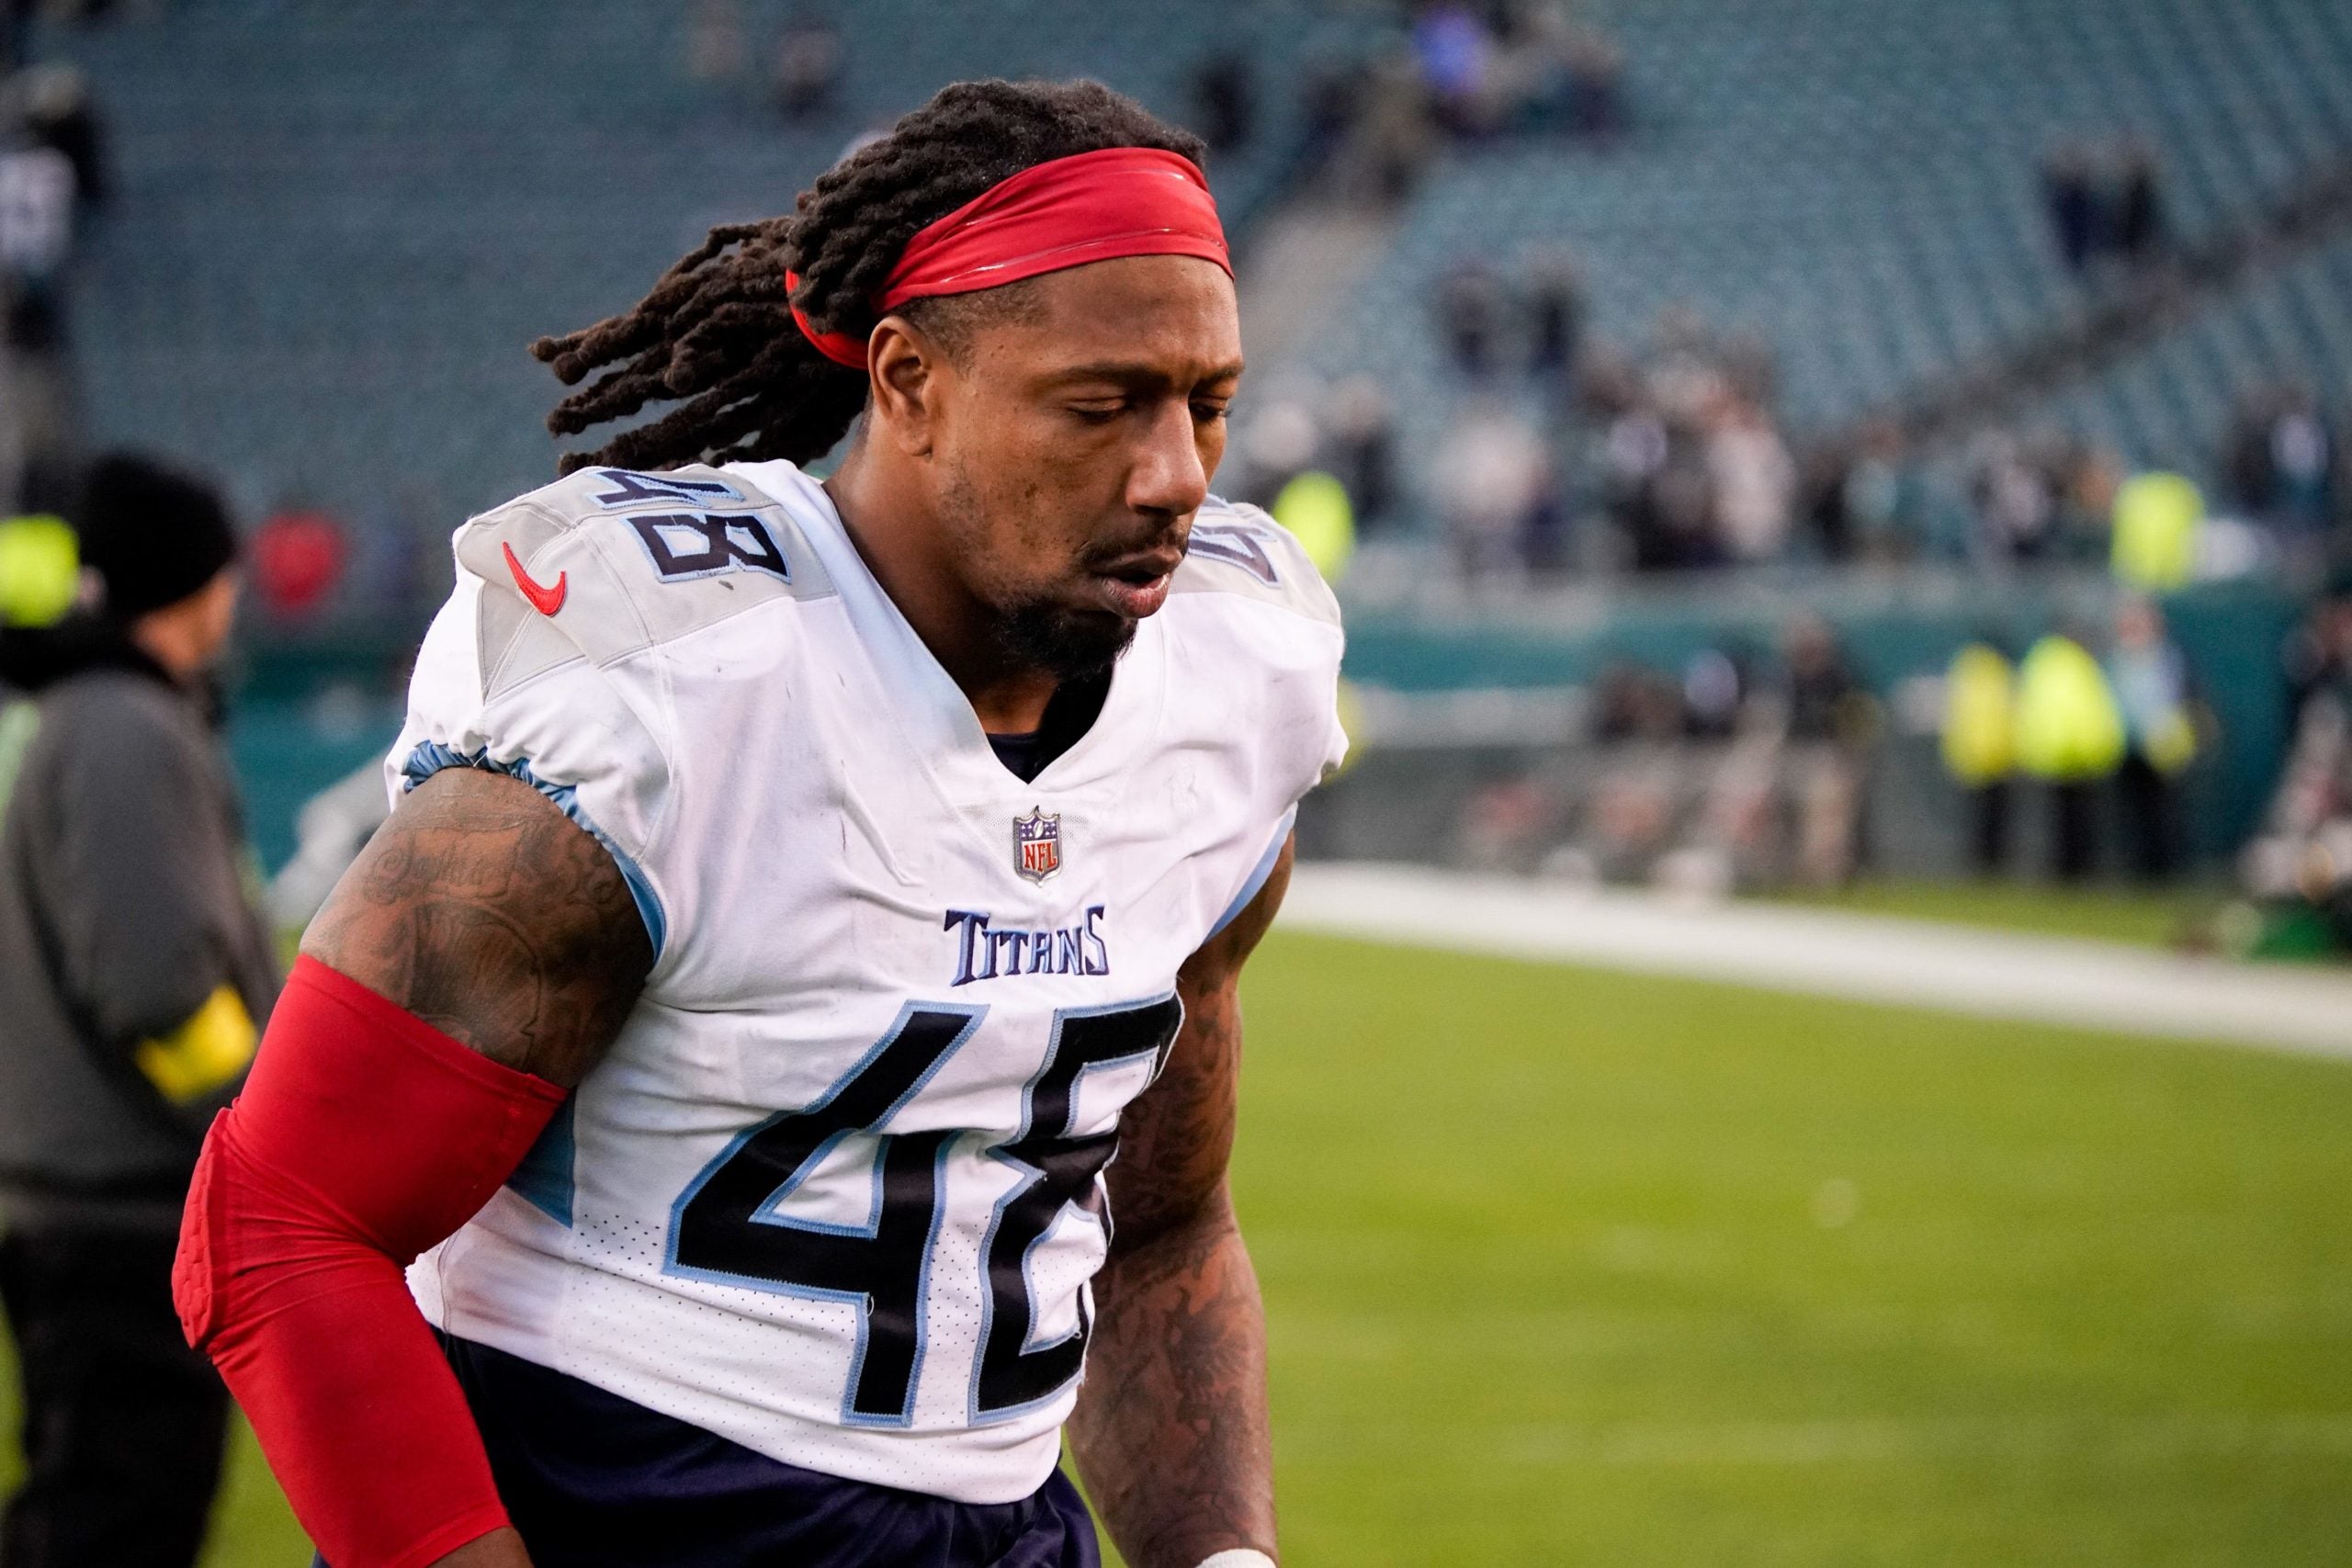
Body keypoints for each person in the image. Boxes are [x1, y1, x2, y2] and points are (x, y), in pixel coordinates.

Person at [175, 80, 1340, 1568]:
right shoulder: (667, 693)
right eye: (1102, 403)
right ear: (909, 381)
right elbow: (276, 1220)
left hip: (1009, 1524)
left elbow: (1164, 1228)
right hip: (630, 1501)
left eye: (1210, 403)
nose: (1176, 474)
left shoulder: (1234, 680)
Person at [0, 455, 273, 1568]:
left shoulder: (94, 717)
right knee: (113, 1527)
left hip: (90, 1210)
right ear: (193, 585)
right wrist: (258, 1130)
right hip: (122, 1220)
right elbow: (158, 988)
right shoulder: (123, 728)